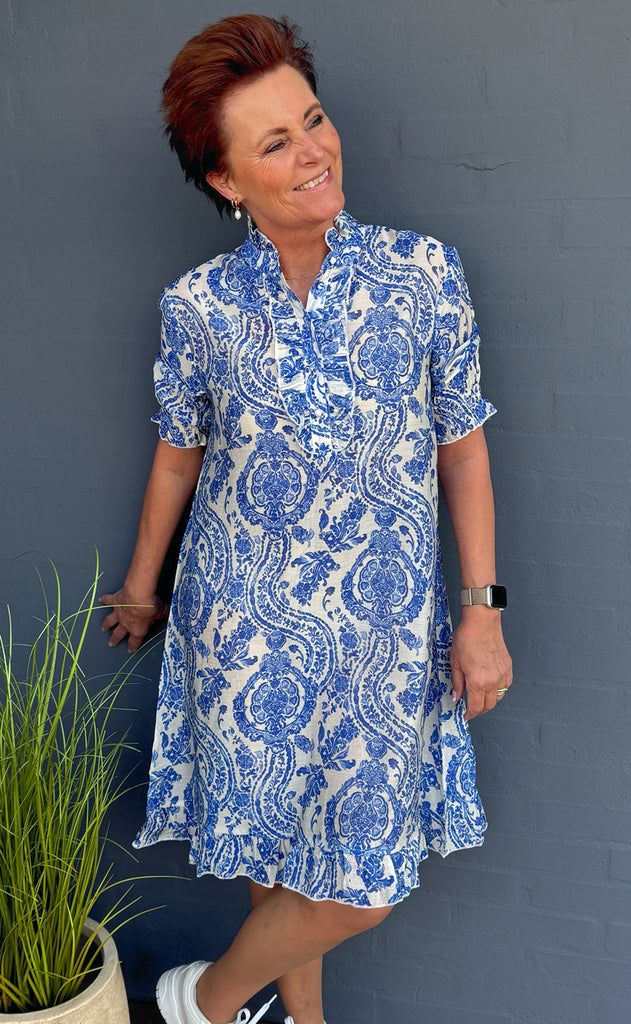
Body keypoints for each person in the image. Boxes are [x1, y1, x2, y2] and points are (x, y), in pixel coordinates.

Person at [101, 14, 512, 1024]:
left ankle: (202, 1001)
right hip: (242, 624)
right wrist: (143, 589)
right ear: (226, 181)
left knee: (361, 886)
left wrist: (481, 610)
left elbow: (462, 450)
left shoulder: (423, 274)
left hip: (382, 632)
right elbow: (178, 453)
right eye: (275, 142)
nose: (313, 152)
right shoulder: (199, 305)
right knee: (275, 848)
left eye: (313, 120)